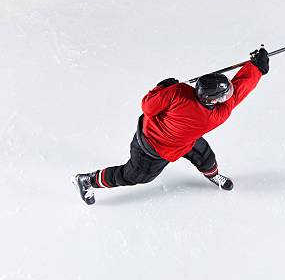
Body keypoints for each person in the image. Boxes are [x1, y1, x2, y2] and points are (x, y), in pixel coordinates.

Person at [73, 47, 270, 205]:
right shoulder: (214, 116)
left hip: (177, 139)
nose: (227, 95)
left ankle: (214, 175)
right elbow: (238, 93)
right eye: (223, 95)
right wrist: (256, 68)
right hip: (152, 150)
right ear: (212, 100)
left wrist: (161, 88)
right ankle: (88, 180)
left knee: (205, 156)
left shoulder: (178, 91)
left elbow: (147, 107)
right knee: (134, 176)